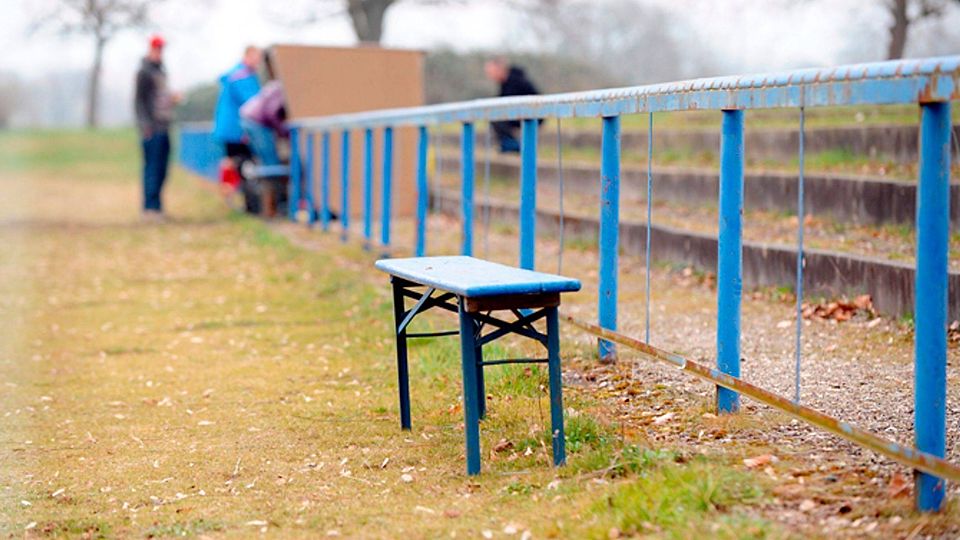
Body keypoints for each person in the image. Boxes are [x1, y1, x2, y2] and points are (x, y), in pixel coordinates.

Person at [134, 34, 177, 220]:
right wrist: (145, 126)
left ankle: (158, 207)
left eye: (161, 49)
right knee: (151, 169)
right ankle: (149, 208)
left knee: (162, 169)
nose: (160, 52)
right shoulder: (144, 72)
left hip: (164, 125)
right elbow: (139, 102)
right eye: (157, 48)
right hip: (152, 129)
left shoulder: (161, 71)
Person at [213, 46, 262, 163]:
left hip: (230, 127)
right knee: (241, 163)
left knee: (234, 161)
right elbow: (252, 102)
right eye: (256, 58)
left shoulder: (237, 74)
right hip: (236, 127)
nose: (258, 62)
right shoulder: (242, 76)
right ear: (248, 56)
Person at [484, 57, 540, 153]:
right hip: (520, 113)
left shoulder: (516, 80)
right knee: (494, 115)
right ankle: (509, 145)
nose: (490, 76)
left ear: (499, 69)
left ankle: (513, 145)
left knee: (496, 117)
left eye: (491, 72)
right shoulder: (505, 83)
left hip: (532, 113)